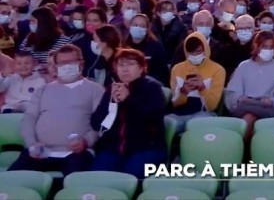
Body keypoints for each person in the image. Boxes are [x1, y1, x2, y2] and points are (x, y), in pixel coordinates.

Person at [9, 44, 104, 175]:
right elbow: (29, 118)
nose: (67, 66)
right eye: (62, 63)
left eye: (71, 62)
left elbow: (101, 122)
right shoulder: (43, 90)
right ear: (56, 66)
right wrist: (32, 144)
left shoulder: (95, 89)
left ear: (81, 64)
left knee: (73, 184)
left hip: (76, 153)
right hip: (41, 151)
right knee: (11, 179)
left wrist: (86, 141)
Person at [90, 48, 167, 178]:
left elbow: (152, 119)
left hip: (146, 148)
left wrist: (128, 99)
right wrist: (111, 103)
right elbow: (96, 123)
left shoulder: (152, 87)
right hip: (113, 148)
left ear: (142, 67)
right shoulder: (112, 89)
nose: (125, 69)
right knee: (97, 177)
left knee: (130, 176)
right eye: (121, 65)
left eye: (130, 64)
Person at [225, 31, 274, 133]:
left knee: (250, 118)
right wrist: (240, 98)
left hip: (268, 108)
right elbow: (231, 93)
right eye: (264, 47)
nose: (268, 50)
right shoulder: (244, 66)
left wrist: (272, 101)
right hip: (245, 106)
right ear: (257, 46)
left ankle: (239, 145)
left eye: (271, 47)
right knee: (249, 116)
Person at [169, 32, 226, 132]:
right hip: (179, 113)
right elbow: (175, 103)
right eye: (191, 52)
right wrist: (183, 92)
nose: (195, 55)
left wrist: (202, 88)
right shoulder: (177, 69)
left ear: (205, 50)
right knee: (163, 123)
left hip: (203, 113)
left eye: (198, 52)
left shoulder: (218, 70)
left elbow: (212, 106)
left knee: (195, 125)